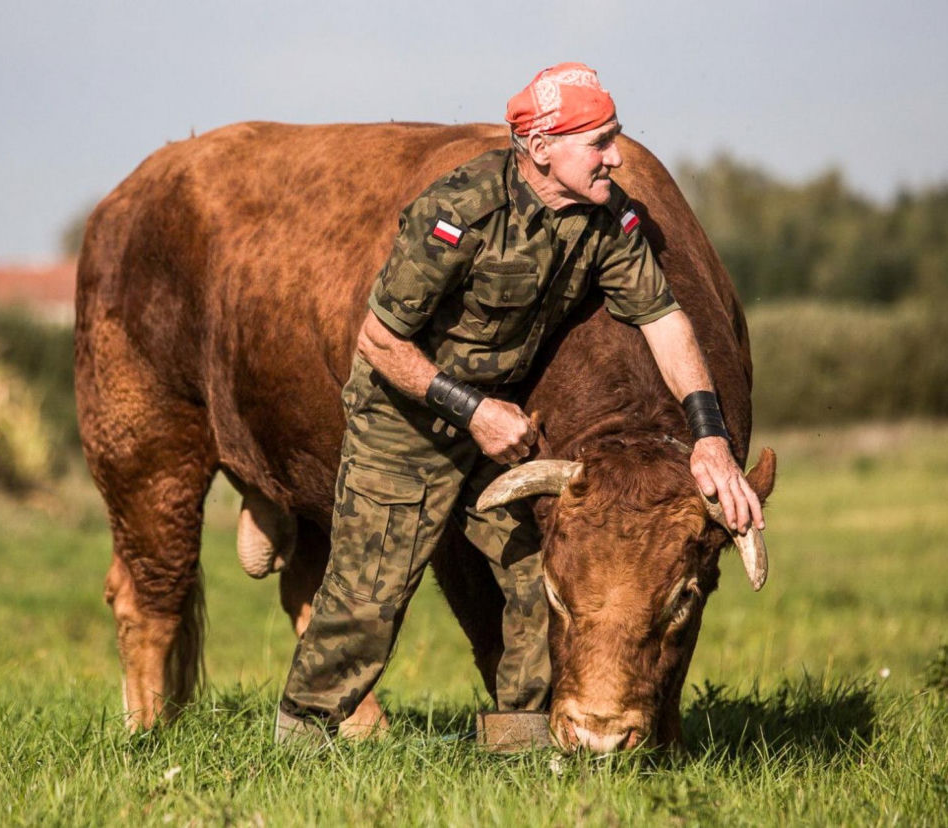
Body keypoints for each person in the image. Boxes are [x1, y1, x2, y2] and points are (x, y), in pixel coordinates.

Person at [276, 62, 765, 740]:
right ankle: (300, 738)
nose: (615, 156)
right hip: (409, 418)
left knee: (543, 576)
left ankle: (522, 752)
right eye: (597, 142)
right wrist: (473, 411)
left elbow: (665, 321)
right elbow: (380, 341)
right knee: (366, 602)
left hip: (498, 423)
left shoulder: (604, 219)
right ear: (540, 149)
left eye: (614, 138)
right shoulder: (459, 213)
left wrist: (708, 435)